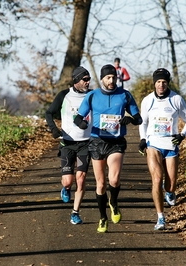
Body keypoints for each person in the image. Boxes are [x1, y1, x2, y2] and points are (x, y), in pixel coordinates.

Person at [74, 64, 142, 233]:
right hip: (97, 142)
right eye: (108, 78)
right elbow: (77, 118)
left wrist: (129, 119)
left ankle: (114, 202)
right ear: (102, 79)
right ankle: (103, 218)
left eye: (114, 77)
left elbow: (138, 119)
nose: (112, 80)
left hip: (116, 142)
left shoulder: (125, 95)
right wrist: (82, 124)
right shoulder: (92, 96)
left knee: (114, 180)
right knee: (101, 183)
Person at [138, 68, 186, 230]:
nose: (161, 85)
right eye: (158, 82)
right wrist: (143, 139)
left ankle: (169, 192)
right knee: (156, 179)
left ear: (167, 83)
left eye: (164, 82)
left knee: (171, 184)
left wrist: (182, 135)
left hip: (171, 145)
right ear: (154, 83)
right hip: (153, 144)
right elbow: (143, 122)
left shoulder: (176, 99)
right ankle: (160, 218)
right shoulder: (148, 100)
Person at [45, 66, 92, 225]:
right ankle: (65, 188)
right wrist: (53, 129)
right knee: (68, 180)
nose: (87, 82)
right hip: (67, 144)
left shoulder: (92, 96)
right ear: (76, 80)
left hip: (86, 145)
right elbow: (49, 113)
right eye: (84, 79)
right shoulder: (64, 95)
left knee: (81, 178)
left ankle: (75, 212)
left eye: (88, 79)